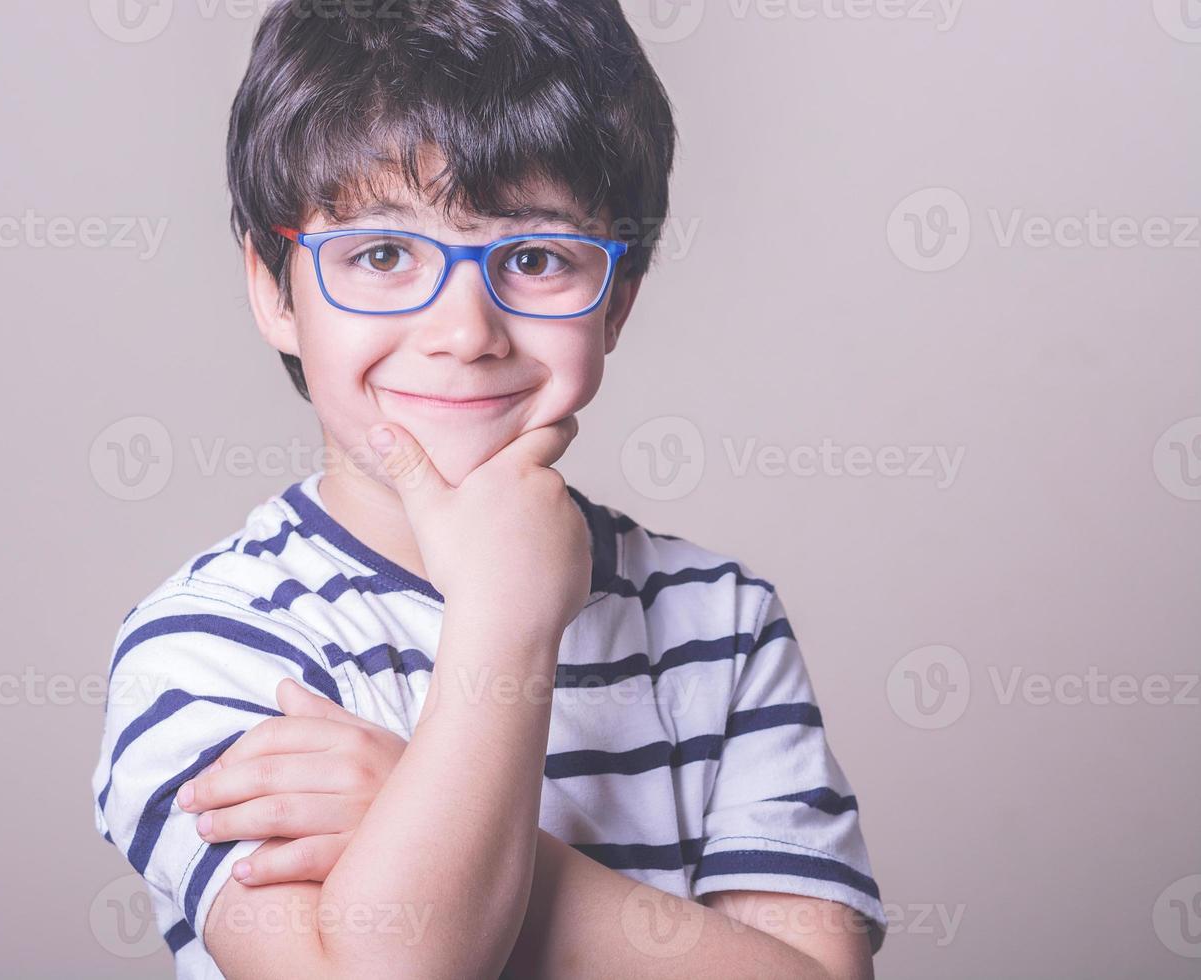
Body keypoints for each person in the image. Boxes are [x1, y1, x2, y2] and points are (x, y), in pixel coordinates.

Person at [91, 2, 886, 976]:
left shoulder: (719, 622)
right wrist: (506, 620)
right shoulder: (211, 643)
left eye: (538, 258)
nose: (466, 329)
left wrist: (430, 818)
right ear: (274, 287)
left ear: (617, 300)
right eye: (382, 254)